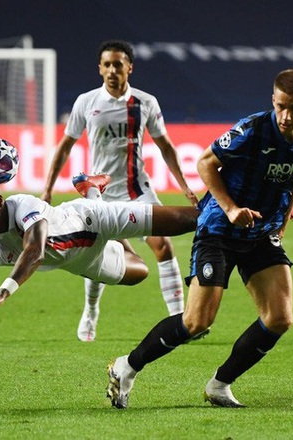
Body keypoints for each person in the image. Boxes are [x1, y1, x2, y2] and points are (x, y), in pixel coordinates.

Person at [106, 69, 293, 409]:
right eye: (281, 106)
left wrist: (283, 218)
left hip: (260, 232)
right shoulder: (254, 129)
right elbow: (206, 163)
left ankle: (220, 385)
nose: (286, 116)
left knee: (280, 318)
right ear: (273, 101)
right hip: (219, 229)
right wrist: (230, 208)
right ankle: (127, 366)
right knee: (197, 321)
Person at [0, 176, 198, 393]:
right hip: (82, 262)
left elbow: (35, 250)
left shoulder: (25, 205)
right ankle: (95, 193)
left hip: (91, 217)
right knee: (140, 271)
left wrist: (4, 292)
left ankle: (224, 213)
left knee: (188, 220)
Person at [41, 40, 198, 342]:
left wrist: (185, 187)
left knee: (163, 246)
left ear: (130, 67)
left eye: (118, 64)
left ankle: (180, 321)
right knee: (95, 255)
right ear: (99, 68)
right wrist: (47, 190)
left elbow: (165, 145)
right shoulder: (86, 102)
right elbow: (64, 147)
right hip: (99, 194)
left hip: (137, 191)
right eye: (107, 64)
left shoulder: (146, 102)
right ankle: (90, 311)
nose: (112, 70)